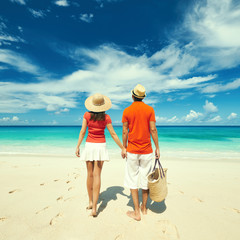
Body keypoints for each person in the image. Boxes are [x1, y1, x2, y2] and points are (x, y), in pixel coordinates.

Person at [76, 93, 126, 217]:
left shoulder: (86, 115)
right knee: (97, 175)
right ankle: (95, 209)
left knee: (89, 175)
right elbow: (113, 134)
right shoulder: (107, 117)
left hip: (89, 146)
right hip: (100, 147)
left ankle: (91, 202)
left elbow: (83, 132)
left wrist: (77, 146)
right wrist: (123, 147)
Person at [122, 84, 160, 221]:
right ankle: (144, 208)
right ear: (143, 97)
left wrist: (123, 147)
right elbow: (153, 130)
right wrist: (157, 147)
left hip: (132, 150)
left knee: (133, 179)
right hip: (147, 151)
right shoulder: (150, 109)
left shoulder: (127, 111)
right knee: (145, 180)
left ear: (132, 96)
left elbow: (125, 131)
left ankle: (136, 211)